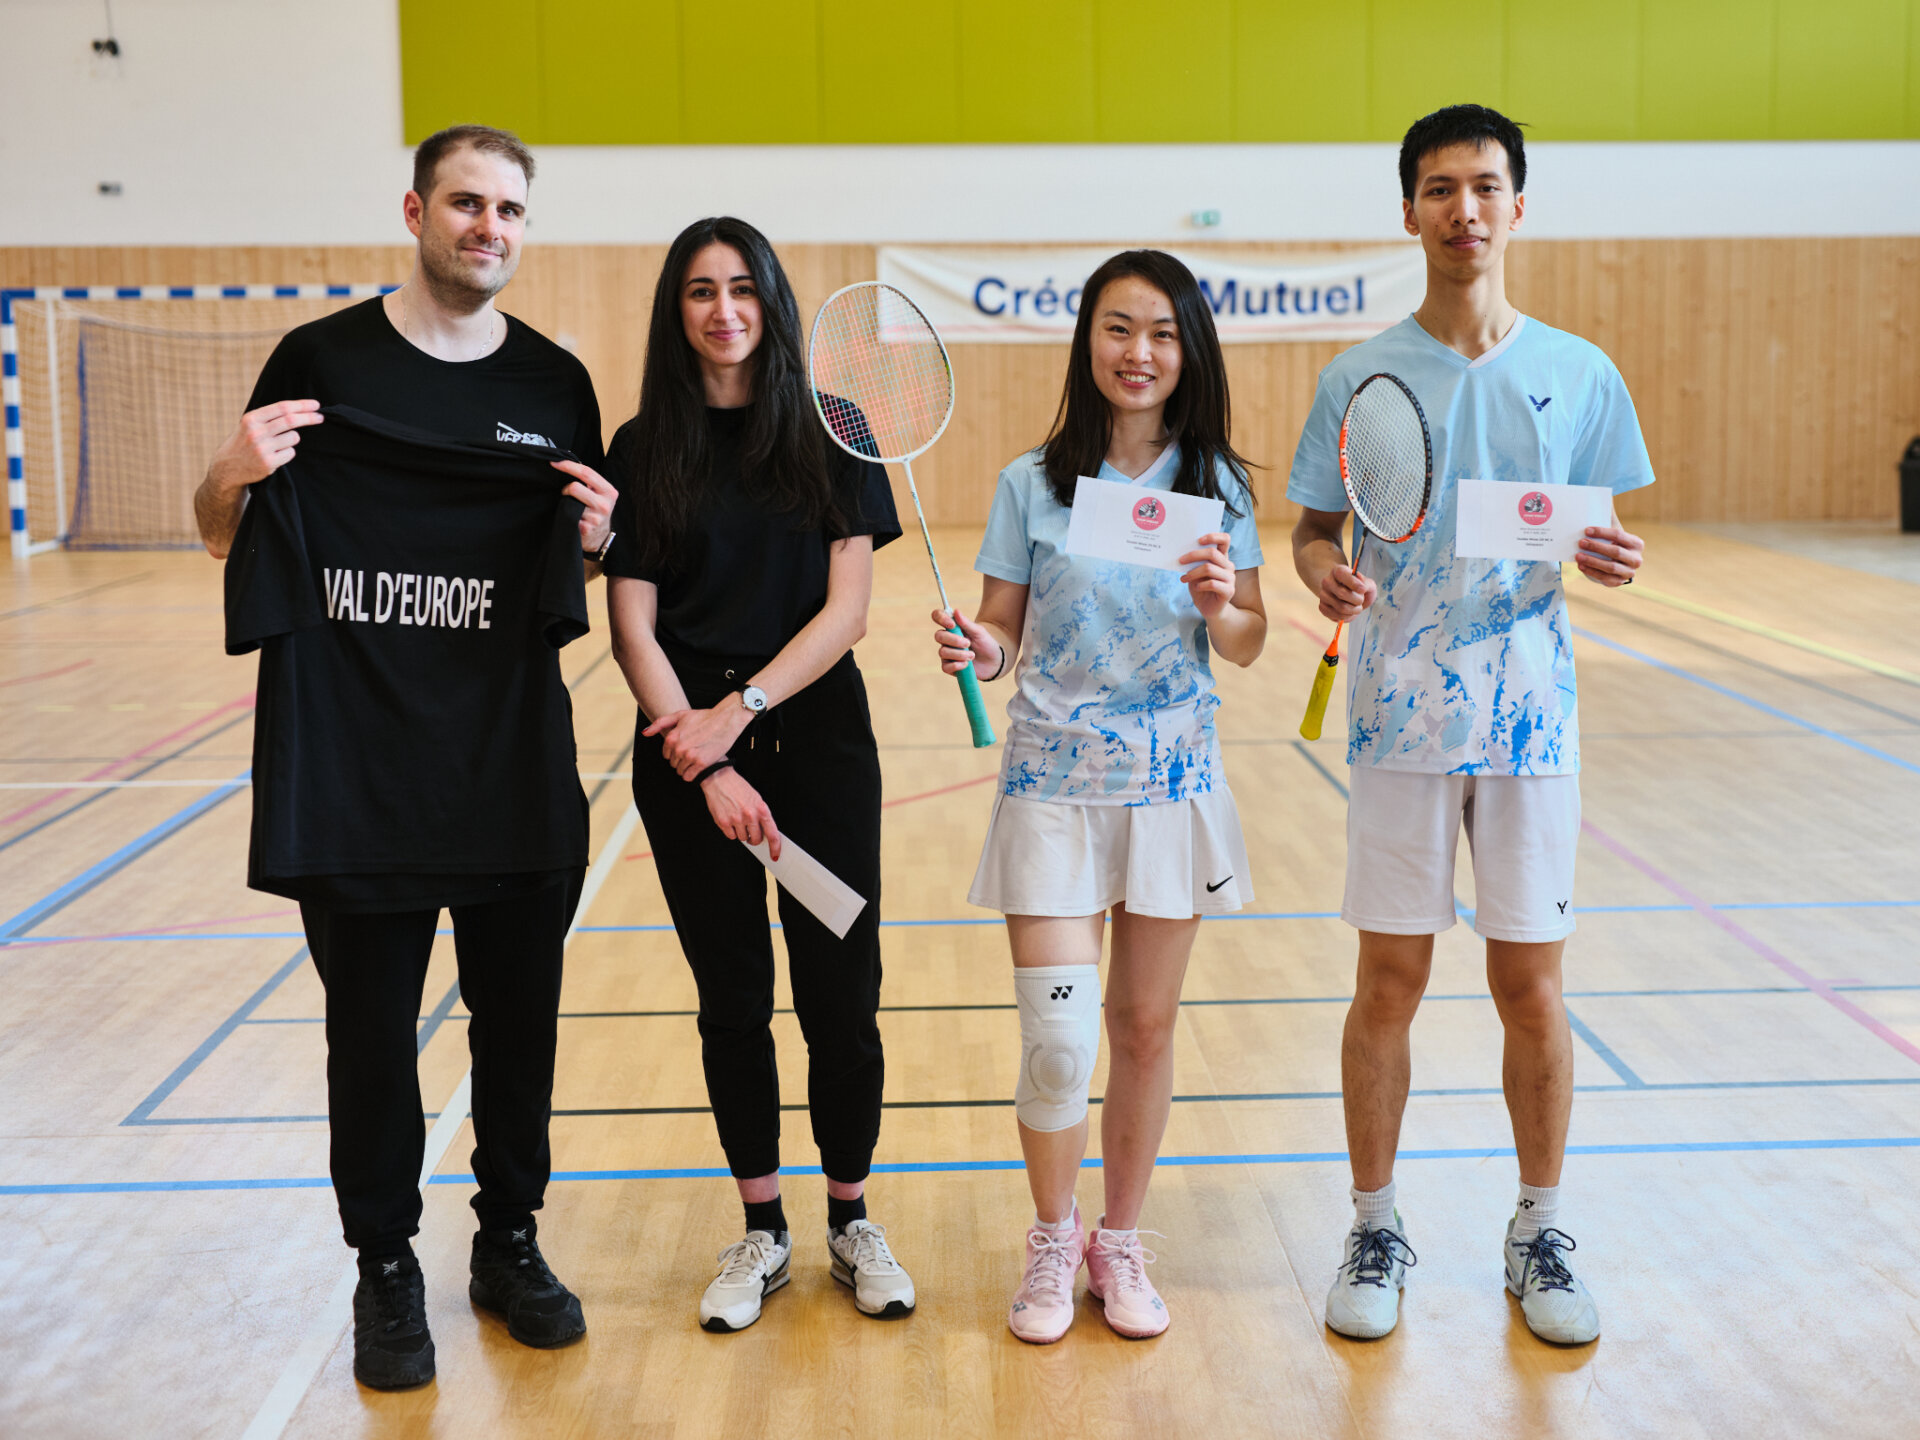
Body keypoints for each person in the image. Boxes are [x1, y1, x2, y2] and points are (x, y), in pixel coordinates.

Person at [195, 124, 618, 1390]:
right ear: (416, 212)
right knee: (371, 1037)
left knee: (520, 1028)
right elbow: (223, 533)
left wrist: (599, 543)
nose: (490, 227)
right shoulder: (319, 363)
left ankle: (508, 1240)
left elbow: (579, 566)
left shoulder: (555, 385)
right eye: (467, 203)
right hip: (357, 771)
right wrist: (230, 474)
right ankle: (384, 1263)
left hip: (509, 763)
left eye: (510, 210)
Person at [1287, 104, 1653, 1346]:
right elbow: (1313, 530)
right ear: (1409, 212)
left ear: (1517, 206)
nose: (1464, 209)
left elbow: (1603, 528)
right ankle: (1373, 1224)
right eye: (1440, 188)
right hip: (1399, 718)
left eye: (1485, 186)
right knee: (1388, 981)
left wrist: (1612, 555)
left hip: (1531, 724)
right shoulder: (1358, 375)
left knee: (1532, 988)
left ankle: (1538, 1228)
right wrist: (1323, 572)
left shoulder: (1581, 372)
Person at [933, 249, 1266, 1344]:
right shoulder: (1032, 483)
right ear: (1088, 342)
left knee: (1145, 1026)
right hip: (1053, 785)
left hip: (1170, 786)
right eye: (1119, 328)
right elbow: (1002, 632)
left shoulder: (1218, 487)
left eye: (1162, 333)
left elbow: (1249, 640)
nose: (1139, 352)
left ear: (1189, 351)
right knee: (1059, 1040)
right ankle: (1053, 1235)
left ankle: (1117, 1241)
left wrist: (1221, 605)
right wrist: (978, 647)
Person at [603, 216, 914, 1333]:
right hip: (687, 759)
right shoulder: (642, 447)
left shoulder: (837, 430)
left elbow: (847, 612)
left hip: (814, 747)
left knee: (842, 997)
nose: (723, 310)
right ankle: (764, 1229)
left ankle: (851, 1218)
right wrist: (703, 758)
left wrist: (739, 715)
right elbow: (631, 624)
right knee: (731, 998)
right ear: (675, 311)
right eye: (700, 291)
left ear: (771, 303)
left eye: (742, 288)